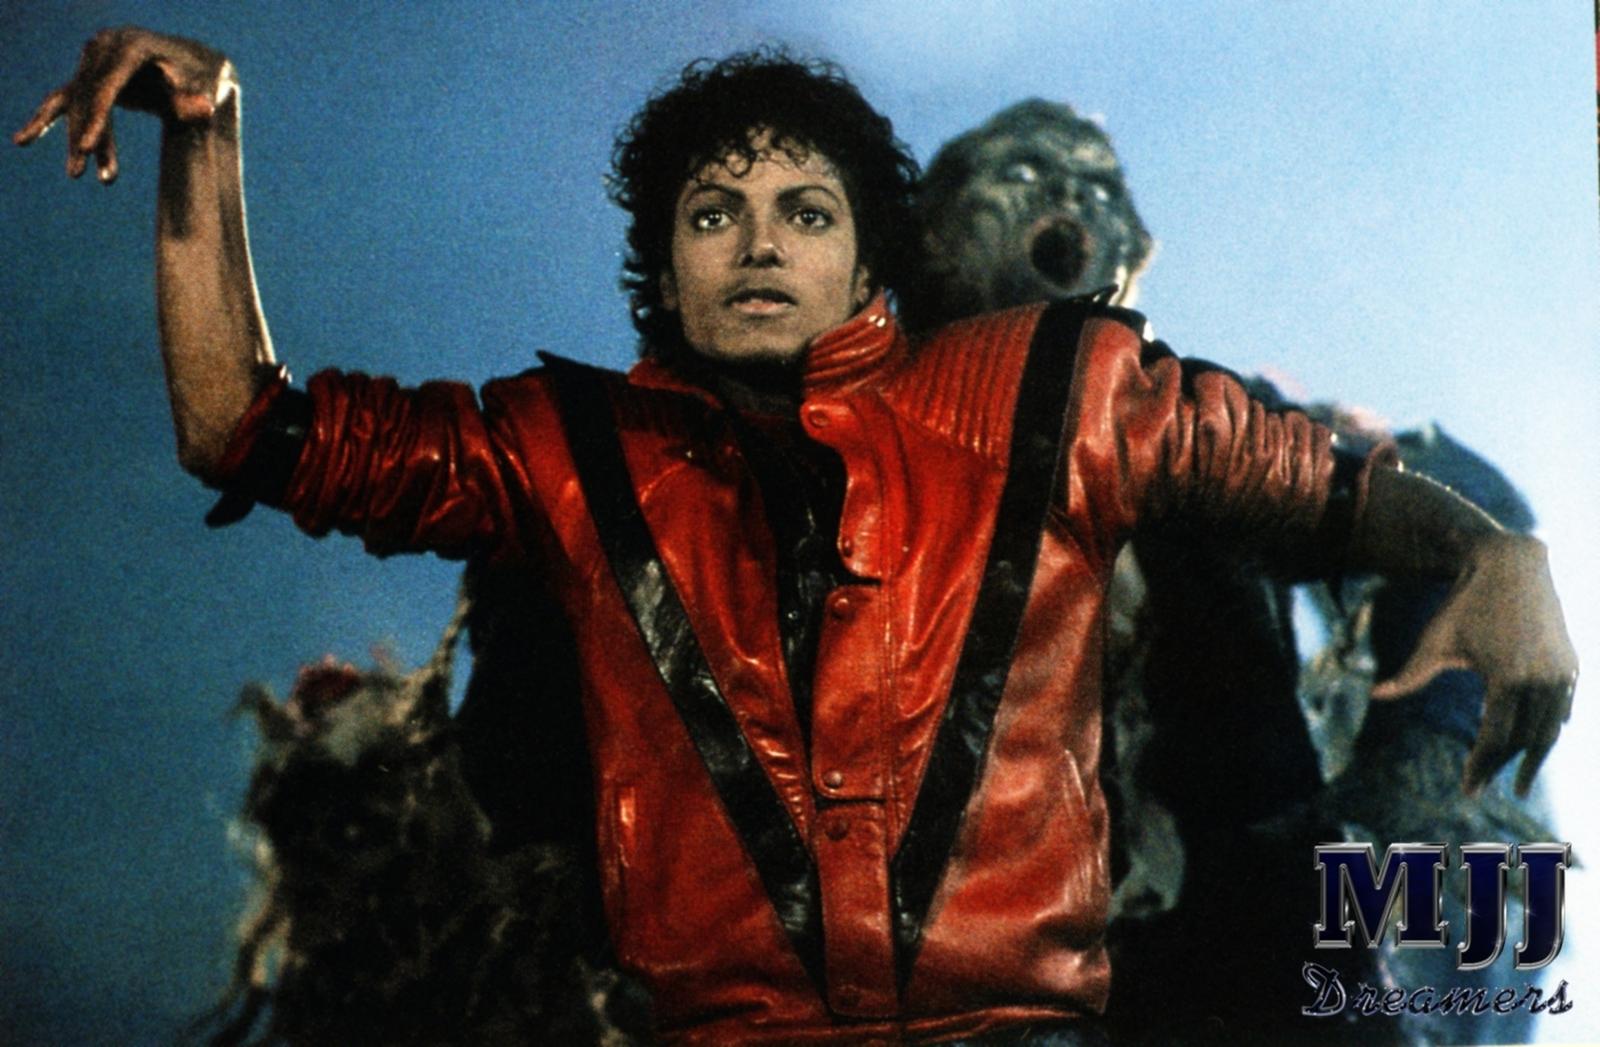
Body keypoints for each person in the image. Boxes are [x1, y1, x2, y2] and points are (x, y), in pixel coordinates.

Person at [15, 28, 1577, 1046]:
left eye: (801, 211)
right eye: (719, 215)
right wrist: (205, 148)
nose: (1058, 228)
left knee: (1431, 889)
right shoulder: (622, 472)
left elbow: (1421, 497)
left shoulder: (1154, 425)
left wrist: (1431, 728)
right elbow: (267, 439)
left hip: (1170, 950)